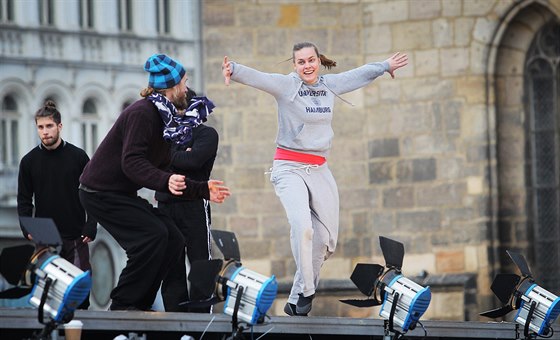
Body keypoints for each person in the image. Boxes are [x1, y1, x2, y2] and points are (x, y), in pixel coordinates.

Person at [222, 42, 408, 316]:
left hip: (319, 169)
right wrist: (234, 69)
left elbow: (356, 75)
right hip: (289, 167)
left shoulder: (328, 85)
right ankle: (308, 291)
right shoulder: (287, 86)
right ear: (294, 65)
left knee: (325, 240)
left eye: (311, 60)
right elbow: (261, 78)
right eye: (301, 62)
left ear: (318, 61)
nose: (307, 66)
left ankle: (296, 300)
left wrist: (385, 66)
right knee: (303, 228)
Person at [79, 54, 230, 311]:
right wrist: (166, 178)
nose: (186, 87)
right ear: (171, 87)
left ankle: (140, 304)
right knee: (153, 237)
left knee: (172, 239)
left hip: (119, 193)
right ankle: (124, 305)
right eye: (183, 83)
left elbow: (163, 164)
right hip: (100, 193)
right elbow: (132, 162)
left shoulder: (164, 117)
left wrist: (202, 189)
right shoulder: (143, 113)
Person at [17, 100, 97, 309]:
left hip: (76, 235)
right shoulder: (28, 162)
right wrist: (27, 229)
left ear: (59, 126)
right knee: (46, 294)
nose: (45, 131)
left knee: (79, 295)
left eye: (49, 126)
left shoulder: (78, 157)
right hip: (45, 237)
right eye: (41, 127)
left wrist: (92, 224)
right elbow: (24, 200)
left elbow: (93, 193)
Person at [156, 88, 219, 313]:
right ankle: (176, 323)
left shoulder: (206, 134)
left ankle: (201, 323)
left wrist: (171, 156)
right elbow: (153, 161)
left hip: (194, 205)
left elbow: (193, 161)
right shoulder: (162, 133)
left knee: (201, 263)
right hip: (165, 204)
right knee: (171, 268)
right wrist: (180, 153)